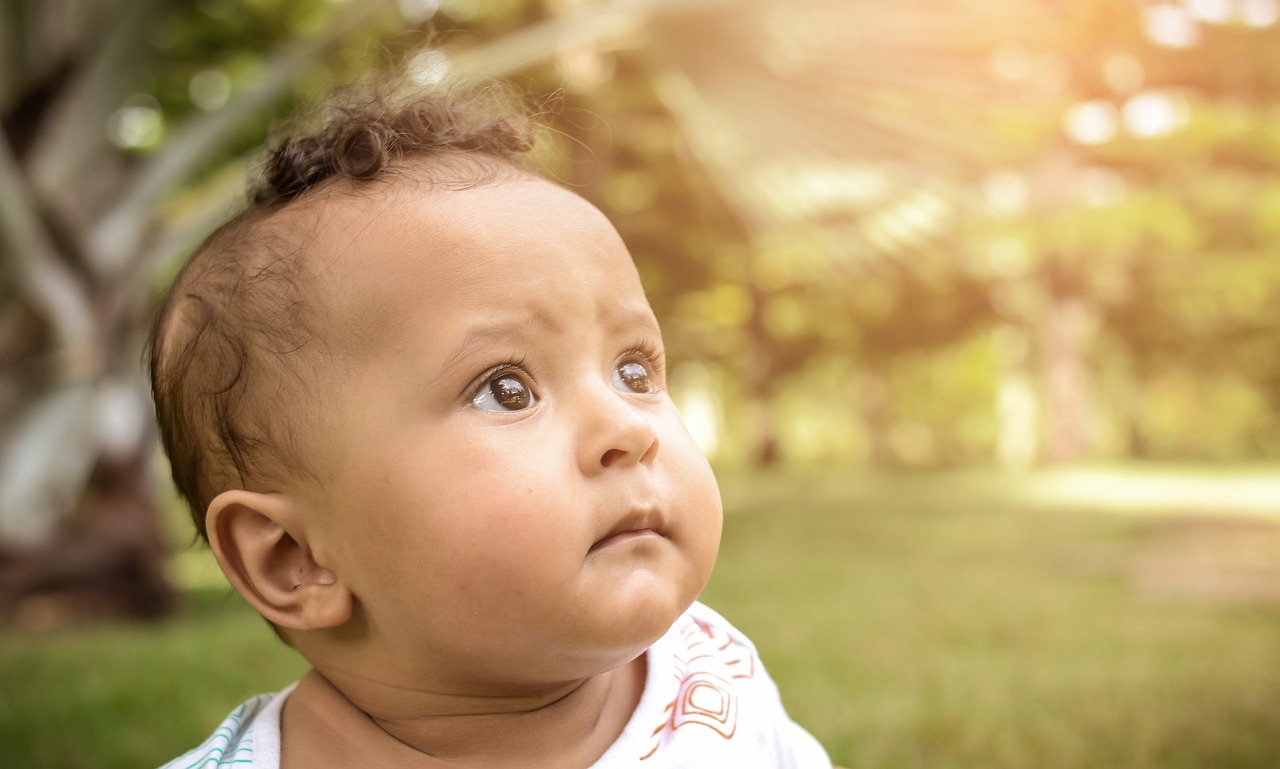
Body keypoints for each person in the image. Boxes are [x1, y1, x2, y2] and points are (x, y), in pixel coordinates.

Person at [149, 77, 831, 769]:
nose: (628, 427)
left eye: (633, 370)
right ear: (294, 557)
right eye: (506, 390)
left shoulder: (712, 679)